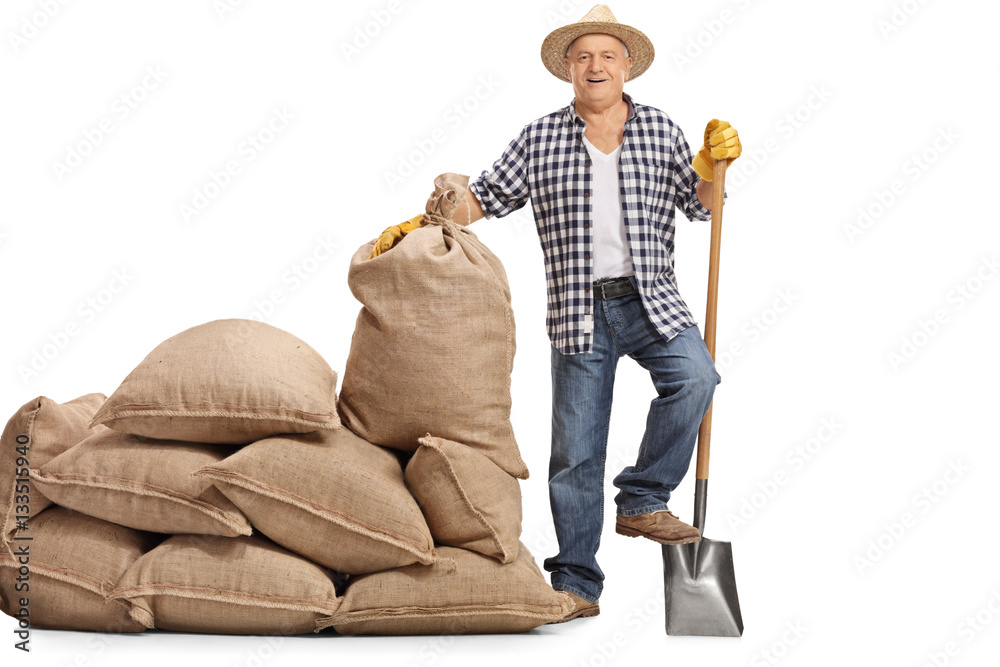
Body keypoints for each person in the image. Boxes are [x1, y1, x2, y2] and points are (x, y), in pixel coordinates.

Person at [373, 4, 741, 624]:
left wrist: (713, 167)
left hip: (653, 299)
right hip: (580, 310)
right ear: (568, 68)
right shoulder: (540, 138)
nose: (596, 65)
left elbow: (704, 207)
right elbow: (483, 199)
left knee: (697, 378)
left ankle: (643, 499)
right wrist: (427, 215)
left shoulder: (660, 129)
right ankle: (575, 584)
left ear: (627, 67)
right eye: (584, 56)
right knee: (575, 453)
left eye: (608, 56)